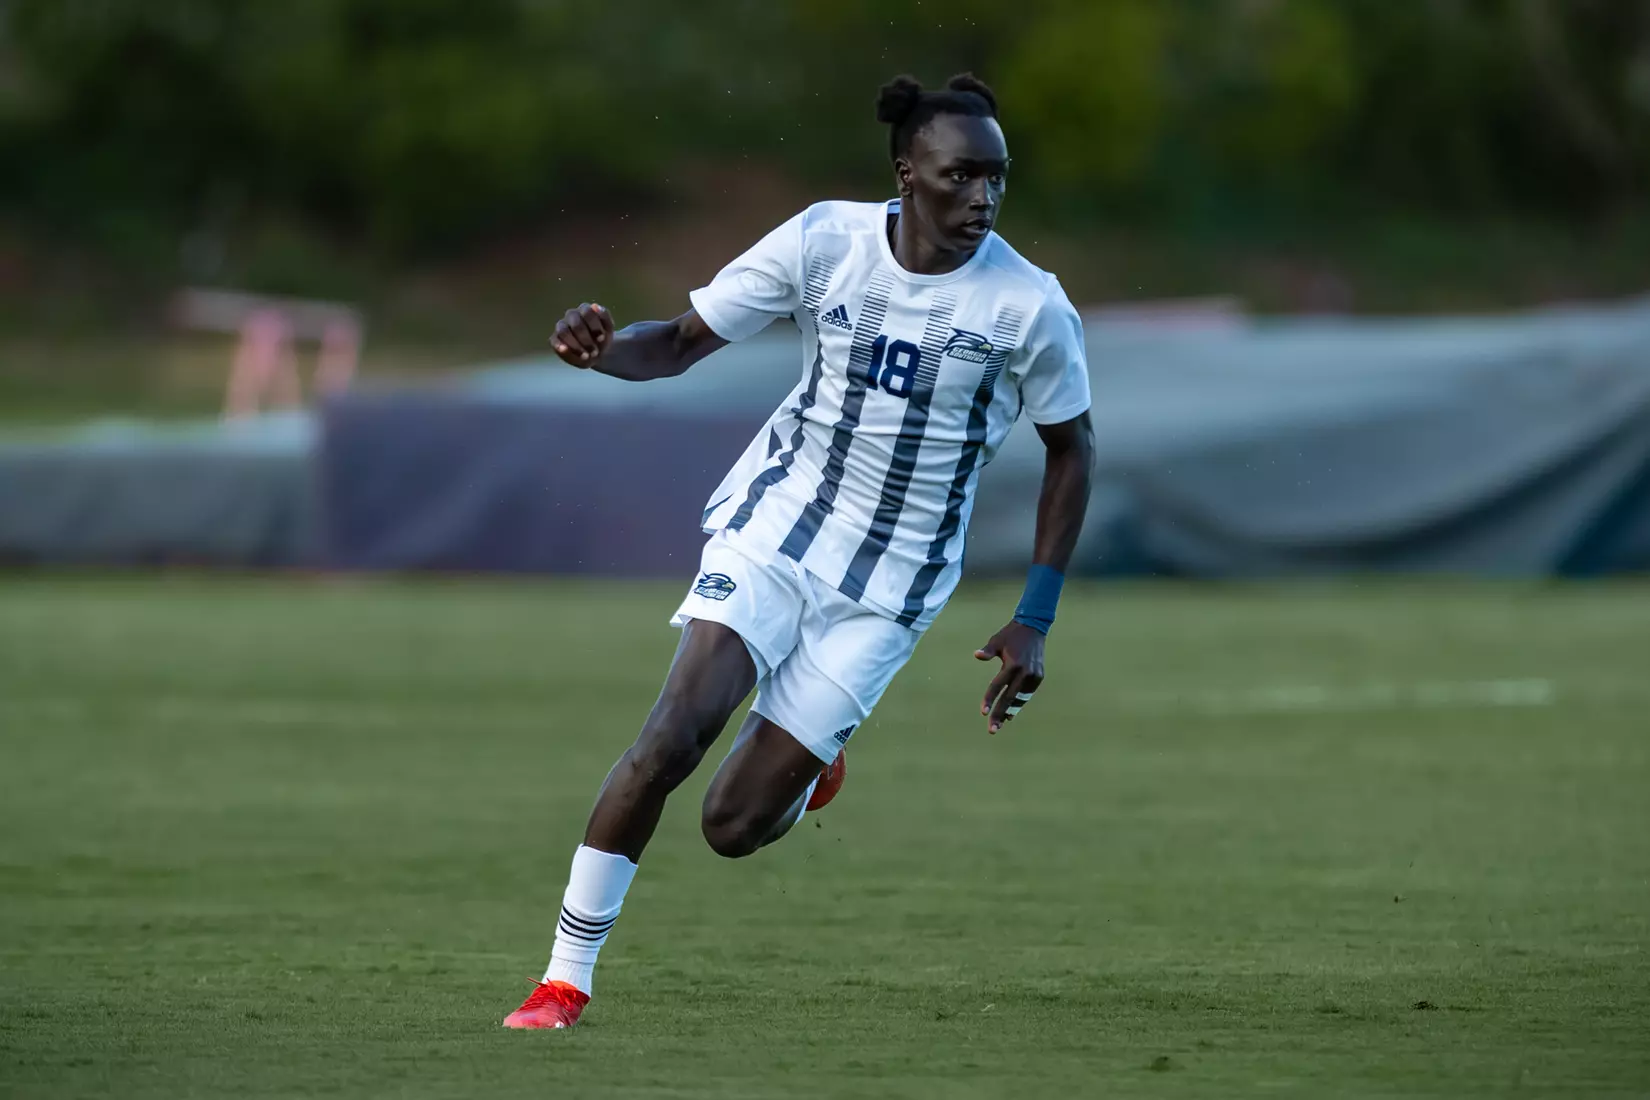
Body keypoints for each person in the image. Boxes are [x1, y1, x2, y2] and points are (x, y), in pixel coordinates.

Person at [504, 72, 1095, 1030]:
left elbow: (1073, 450)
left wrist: (1034, 616)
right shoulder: (824, 240)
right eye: (960, 176)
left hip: (891, 588)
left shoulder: (1028, 308)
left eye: (997, 178)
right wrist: (599, 348)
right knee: (670, 738)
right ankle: (564, 979)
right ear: (908, 174)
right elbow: (680, 344)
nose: (982, 198)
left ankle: (814, 766)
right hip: (778, 528)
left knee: (732, 827)